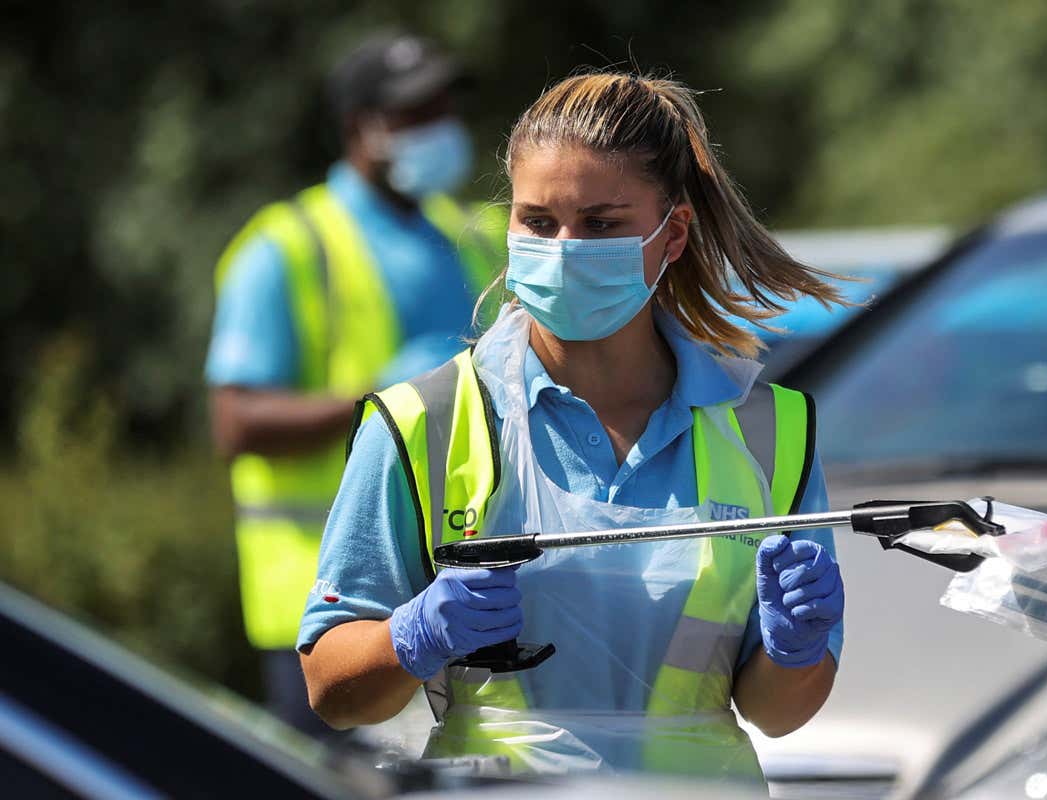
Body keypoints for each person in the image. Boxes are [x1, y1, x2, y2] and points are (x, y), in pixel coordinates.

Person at [297, 71, 847, 782]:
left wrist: (796, 650)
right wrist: (413, 635)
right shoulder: (420, 422)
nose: (561, 248)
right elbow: (330, 692)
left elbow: (777, 712)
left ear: (671, 233)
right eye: (537, 221)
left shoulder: (773, 432)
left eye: (601, 223)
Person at [204, 33, 504, 736]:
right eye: (413, 112)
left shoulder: (477, 237)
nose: (439, 125)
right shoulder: (283, 249)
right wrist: (379, 401)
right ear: (358, 127)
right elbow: (235, 423)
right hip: (329, 621)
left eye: (442, 107)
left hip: (467, 604)